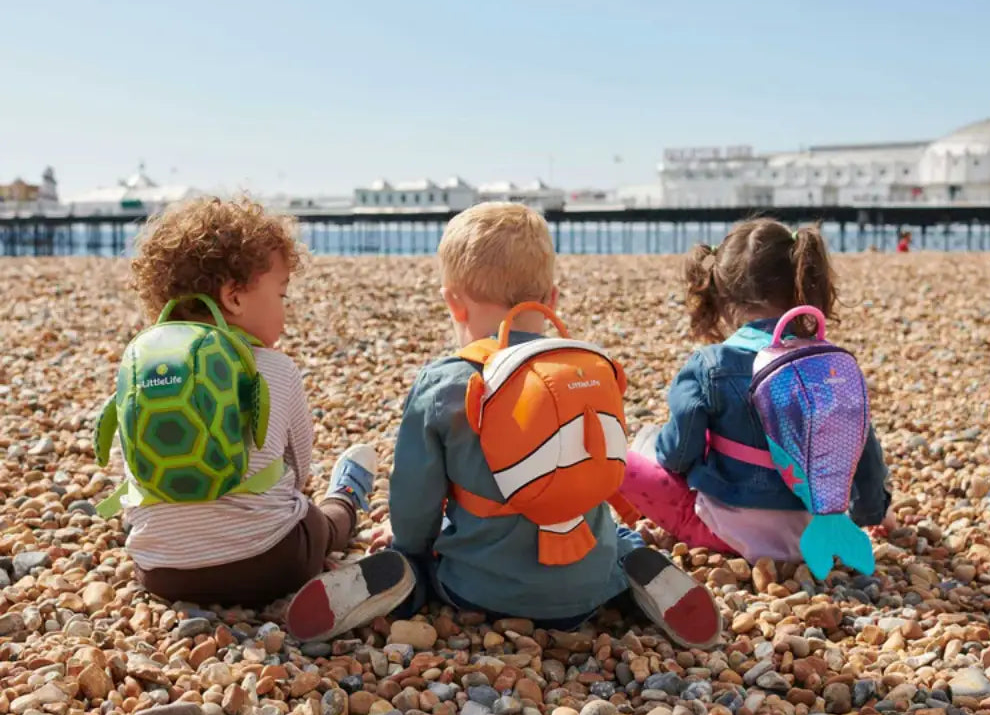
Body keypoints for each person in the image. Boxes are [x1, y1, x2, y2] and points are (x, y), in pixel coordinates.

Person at [286, 202, 721, 648]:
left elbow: (415, 499)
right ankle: (631, 565)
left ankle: (407, 578)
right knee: (613, 534)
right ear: (552, 298)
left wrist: (411, 540)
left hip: (477, 588)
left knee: (424, 560)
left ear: (453, 303)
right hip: (588, 589)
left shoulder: (446, 382)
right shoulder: (586, 368)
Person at [108, 196, 396, 608]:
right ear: (235, 297)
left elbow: (134, 469)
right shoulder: (275, 368)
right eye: (281, 295)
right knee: (321, 522)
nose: (285, 311)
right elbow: (298, 468)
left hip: (162, 572)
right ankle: (347, 498)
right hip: (272, 562)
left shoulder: (141, 369)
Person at [618, 218, 894, 565]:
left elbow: (677, 455)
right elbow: (860, 451)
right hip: (812, 533)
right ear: (801, 285)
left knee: (625, 453)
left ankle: (627, 529)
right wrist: (871, 511)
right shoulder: (826, 368)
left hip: (722, 534)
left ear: (722, 293)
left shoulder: (710, 364)